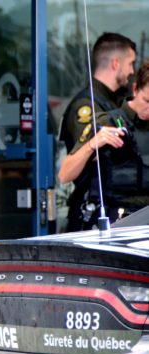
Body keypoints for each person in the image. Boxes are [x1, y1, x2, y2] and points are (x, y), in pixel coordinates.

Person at [58, 32, 137, 231]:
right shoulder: (87, 105)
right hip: (91, 214)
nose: (132, 71)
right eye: (131, 63)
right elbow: (83, 155)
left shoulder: (114, 102)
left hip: (114, 209)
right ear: (115, 63)